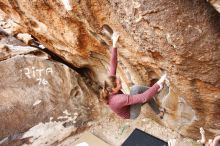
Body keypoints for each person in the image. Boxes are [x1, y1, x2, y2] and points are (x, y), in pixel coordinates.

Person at [100, 31, 167, 119]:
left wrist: (114, 44)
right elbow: (143, 98)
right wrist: (160, 81)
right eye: (119, 83)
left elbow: (113, 64)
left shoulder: (109, 85)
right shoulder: (118, 99)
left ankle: (159, 113)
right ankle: (157, 90)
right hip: (132, 113)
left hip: (127, 105)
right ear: (114, 89)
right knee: (139, 91)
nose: (121, 83)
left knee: (147, 94)